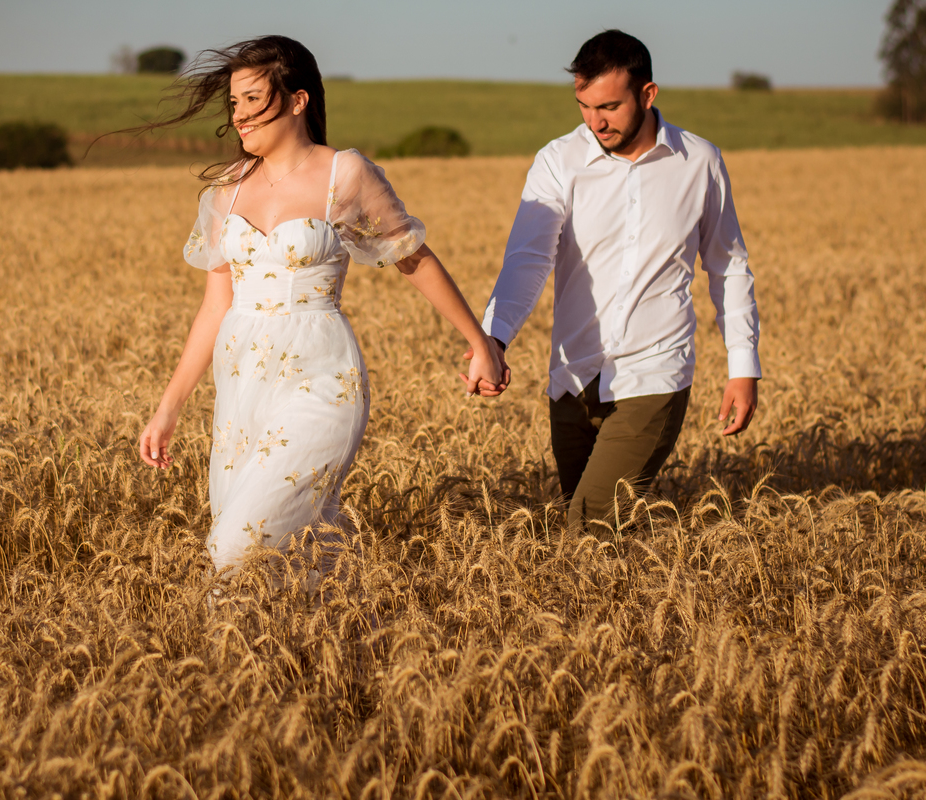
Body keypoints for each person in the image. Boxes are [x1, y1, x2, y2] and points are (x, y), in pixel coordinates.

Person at [138, 36, 506, 576]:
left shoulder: (345, 174)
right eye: (234, 103)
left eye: (252, 99)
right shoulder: (225, 190)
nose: (239, 116)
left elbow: (414, 259)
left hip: (323, 377)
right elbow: (215, 305)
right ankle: (323, 649)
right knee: (283, 555)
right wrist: (168, 408)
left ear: (297, 100)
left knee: (235, 548)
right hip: (241, 385)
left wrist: (482, 346)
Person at [474, 29, 761, 532]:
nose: (594, 120)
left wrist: (744, 366)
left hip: (654, 372)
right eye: (583, 105)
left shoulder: (700, 163)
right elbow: (528, 259)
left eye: (608, 106)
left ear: (647, 94)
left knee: (586, 531)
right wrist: (492, 339)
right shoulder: (558, 162)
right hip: (571, 379)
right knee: (597, 543)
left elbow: (727, 266)